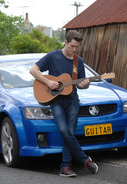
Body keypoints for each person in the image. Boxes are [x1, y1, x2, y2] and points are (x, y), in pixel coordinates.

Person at [29, 30, 98, 177]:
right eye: (72, 46)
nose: (74, 50)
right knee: (63, 130)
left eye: (76, 47)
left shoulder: (78, 61)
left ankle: (65, 167)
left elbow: (80, 84)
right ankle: (84, 159)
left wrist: (85, 84)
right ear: (65, 42)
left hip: (72, 100)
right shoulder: (53, 56)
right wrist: (47, 81)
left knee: (70, 133)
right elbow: (33, 70)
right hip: (56, 101)